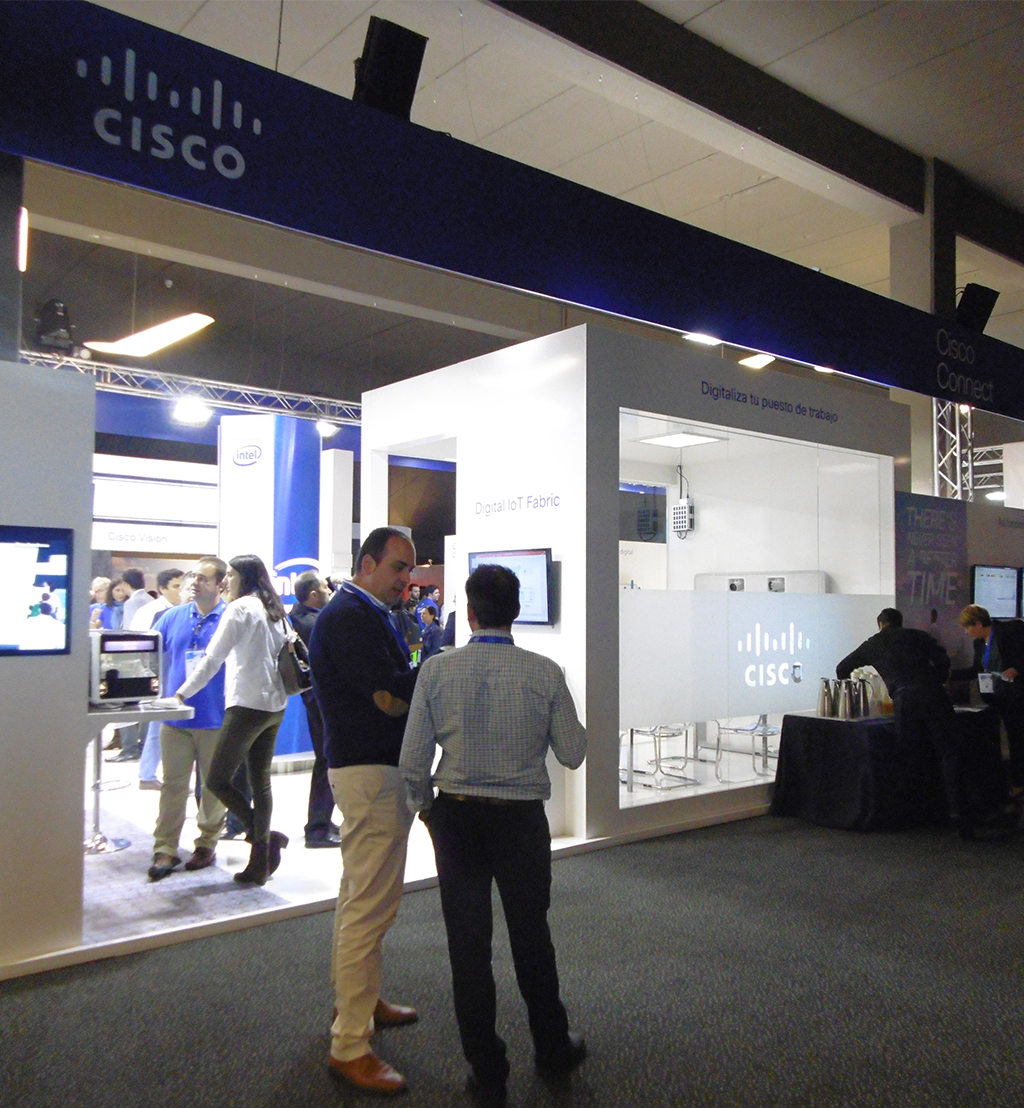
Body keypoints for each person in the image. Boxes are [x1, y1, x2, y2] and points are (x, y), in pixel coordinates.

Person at [400, 563, 588, 1099]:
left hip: (457, 820)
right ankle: (552, 1047)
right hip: (521, 822)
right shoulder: (545, 672)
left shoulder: (436, 670)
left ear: (470, 611)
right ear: (517, 611)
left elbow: (412, 761)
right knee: (532, 936)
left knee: (468, 947)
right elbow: (573, 753)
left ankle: (487, 1070)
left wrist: (427, 811)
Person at [308, 527, 420, 1095]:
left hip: (366, 769)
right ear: (368, 563)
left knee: (358, 898)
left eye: (411, 570)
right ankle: (350, 1045)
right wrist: (436, 671)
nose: (407, 580)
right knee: (370, 908)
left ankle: (358, 1000)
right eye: (399, 567)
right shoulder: (352, 617)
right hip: (370, 773)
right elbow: (389, 698)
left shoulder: (362, 613)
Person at [836, 607, 1016, 837]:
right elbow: (941, 659)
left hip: (905, 702)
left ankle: (917, 813)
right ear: (900, 622)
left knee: (911, 755)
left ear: (880, 624)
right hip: (933, 696)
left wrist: (853, 689)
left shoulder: (872, 644)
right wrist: (937, 679)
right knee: (949, 753)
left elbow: (842, 668)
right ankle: (959, 813)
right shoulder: (917, 636)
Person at [174, 554, 291, 886]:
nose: (225, 581)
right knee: (260, 783)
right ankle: (260, 861)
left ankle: (265, 839)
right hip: (275, 705)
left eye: (231, 575)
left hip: (246, 706)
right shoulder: (275, 610)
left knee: (216, 780)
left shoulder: (240, 608)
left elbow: (213, 658)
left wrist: (182, 692)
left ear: (244, 577)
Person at [147, 558, 229, 881]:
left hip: (216, 718)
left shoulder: (231, 619)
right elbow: (150, 656)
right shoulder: (172, 617)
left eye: (204, 578)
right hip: (176, 719)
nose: (195, 582)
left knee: (212, 788)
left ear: (221, 584)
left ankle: (206, 844)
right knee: (173, 786)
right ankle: (165, 847)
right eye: (193, 576)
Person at [289, 570, 341, 848]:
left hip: (315, 698)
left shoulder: (300, 617)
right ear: (312, 594)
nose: (329, 590)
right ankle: (317, 827)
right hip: (322, 699)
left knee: (326, 758)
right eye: (324, 587)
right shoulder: (312, 622)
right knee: (327, 759)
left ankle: (322, 820)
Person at [953, 604, 1024, 796]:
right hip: (996, 697)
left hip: (1016, 695)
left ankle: (1018, 782)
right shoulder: (979, 644)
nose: (966, 633)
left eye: (967, 627)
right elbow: (976, 670)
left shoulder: (1010, 630)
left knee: (1017, 738)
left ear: (978, 623)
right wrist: (949, 675)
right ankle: (1010, 780)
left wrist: (1017, 669)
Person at [132, 568, 185, 790]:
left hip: (176, 675)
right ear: (162, 588)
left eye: (182, 586)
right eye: (176, 586)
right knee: (157, 726)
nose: (181, 591)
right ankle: (147, 775)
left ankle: (151, 774)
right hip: (159, 677)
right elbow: (140, 647)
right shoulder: (151, 612)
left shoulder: (183, 611)